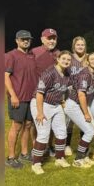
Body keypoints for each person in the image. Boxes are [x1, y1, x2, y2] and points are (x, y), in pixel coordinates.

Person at [30, 51, 72, 175]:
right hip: (42, 104)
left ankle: (59, 158)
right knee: (43, 133)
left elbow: (63, 90)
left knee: (62, 131)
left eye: (68, 60)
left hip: (56, 104)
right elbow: (39, 93)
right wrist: (40, 112)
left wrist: (63, 102)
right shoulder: (49, 73)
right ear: (58, 59)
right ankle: (36, 163)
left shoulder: (66, 74)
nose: (66, 61)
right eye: (63, 58)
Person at [5, 30, 37, 169]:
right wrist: (13, 95)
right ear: (17, 40)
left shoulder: (31, 55)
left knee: (28, 125)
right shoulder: (11, 55)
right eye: (23, 39)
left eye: (28, 39)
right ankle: (11, 157)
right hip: (18, 97)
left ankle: (24, 153)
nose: (26, 41)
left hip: (31, 97)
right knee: (16, 126)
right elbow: (5, 77)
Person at [64, 53, 94, 167]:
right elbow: (81, 95)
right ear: (87, 61)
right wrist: (86, 113)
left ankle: (84, 156)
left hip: (81, 105)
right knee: (89, 131)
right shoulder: (85, 74)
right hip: (74, 105)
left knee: (92, 130)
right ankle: (78, 160)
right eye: (92, 59)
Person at [32, 28, 60, 157]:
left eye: (54, 38)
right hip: (37, 93)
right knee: (37, 123)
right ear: (42, 39)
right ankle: (36, 147)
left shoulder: (58, 53)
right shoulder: (34, 52)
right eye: (49, 38)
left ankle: (49, 146)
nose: (52, 40)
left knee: (52, 123)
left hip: (53, 95)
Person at [65, 36, 89, 156]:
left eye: (82, 45)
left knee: (83, 121)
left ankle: (82, 145)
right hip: (70, 94)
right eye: (78, 45)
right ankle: (67, 145)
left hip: (84, 94)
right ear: (74, 46)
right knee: (68, 122)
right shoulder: (69, 58)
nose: (80, 47)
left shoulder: (88, 59)